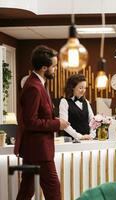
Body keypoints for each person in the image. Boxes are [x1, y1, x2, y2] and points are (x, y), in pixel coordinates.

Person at [14, 45, 70, 200]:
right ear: (44, 68)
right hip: (39, 150)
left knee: (26, 190)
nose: (56, 69)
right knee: (53, 189)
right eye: (54, 67)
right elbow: (30, 122)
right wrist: (57, 124)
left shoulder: (37, 83)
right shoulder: (34, 87)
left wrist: (56, 121)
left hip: (33, 149)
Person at [59, 74, 95, 140]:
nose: (83, 90)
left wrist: (92, 135)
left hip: (88, 140)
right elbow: (64, 125)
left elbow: (93, 121)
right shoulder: (64, 101)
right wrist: (80, 136)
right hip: (71, 141)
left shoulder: (86, 102)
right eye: (80, 88)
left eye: (85, 88)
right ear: (73, 87)